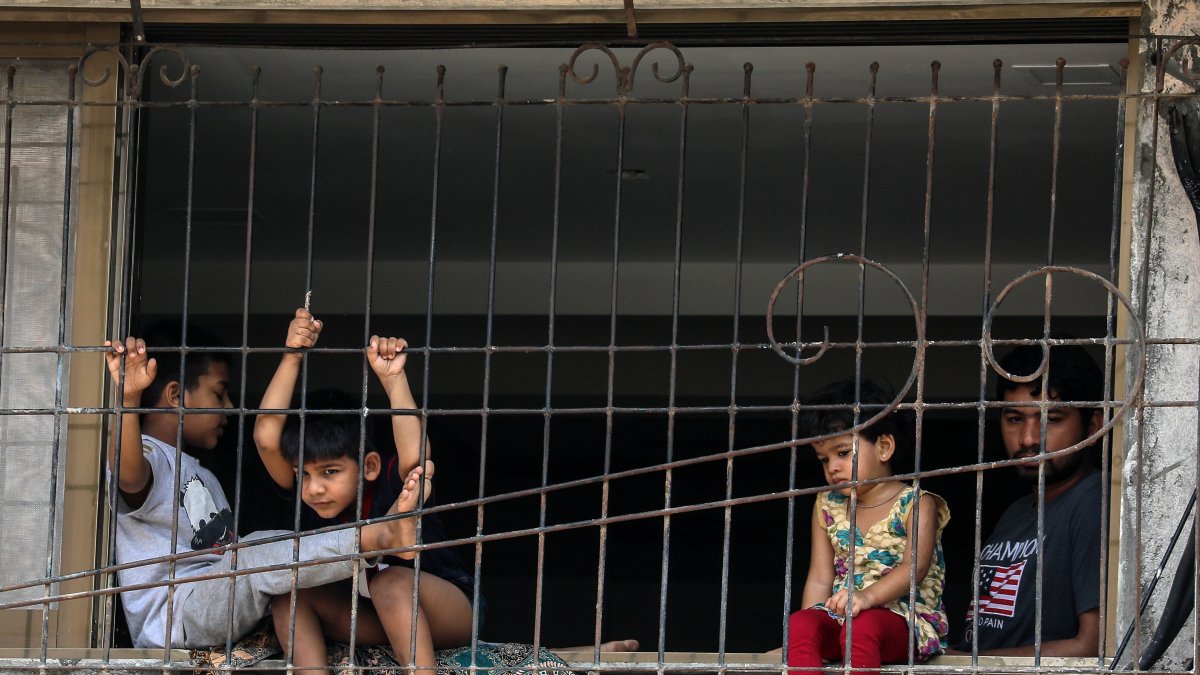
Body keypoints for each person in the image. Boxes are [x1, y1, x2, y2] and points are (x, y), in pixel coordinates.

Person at [104, 322, 413, 649]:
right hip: (178, 612)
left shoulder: (195, 470)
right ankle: (374, 536)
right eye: (219, 392)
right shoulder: (152, 454)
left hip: (215, 597)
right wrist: (128, 399)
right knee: (253, 553)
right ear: (176, 395)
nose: (228, 407)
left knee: (274, 574)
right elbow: (128, 475)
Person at [253, 308, 475, 675]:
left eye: (330, 471)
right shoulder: (307, 494)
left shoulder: (388, 481)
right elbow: (265, 438)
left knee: (391, 581)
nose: (315, 488)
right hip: (372, 615)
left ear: (369, 466)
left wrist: (394, 380)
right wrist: (292, 355)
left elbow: (417, 457)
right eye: (303, 474)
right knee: (287, 596)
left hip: (446, 608)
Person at [787, 379, 951, 671]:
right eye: (824, 459)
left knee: (862, 625)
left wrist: (865, 597)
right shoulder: (828, 505)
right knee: (800, 623)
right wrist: (812, 630)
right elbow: (819, 579)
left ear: (884, 447)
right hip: (843, 619)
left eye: (843, 453)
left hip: (904, 621)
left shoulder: (916, 503)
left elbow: (914, 570)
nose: (832, 467)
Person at [958, 342, 1104, 656]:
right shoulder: (1017, 511)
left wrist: (966, 664)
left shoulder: (1093, 501)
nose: (1027, 439)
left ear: (1093, 424)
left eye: (1051, 420)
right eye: (1014, 419)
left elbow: (1092, 646)